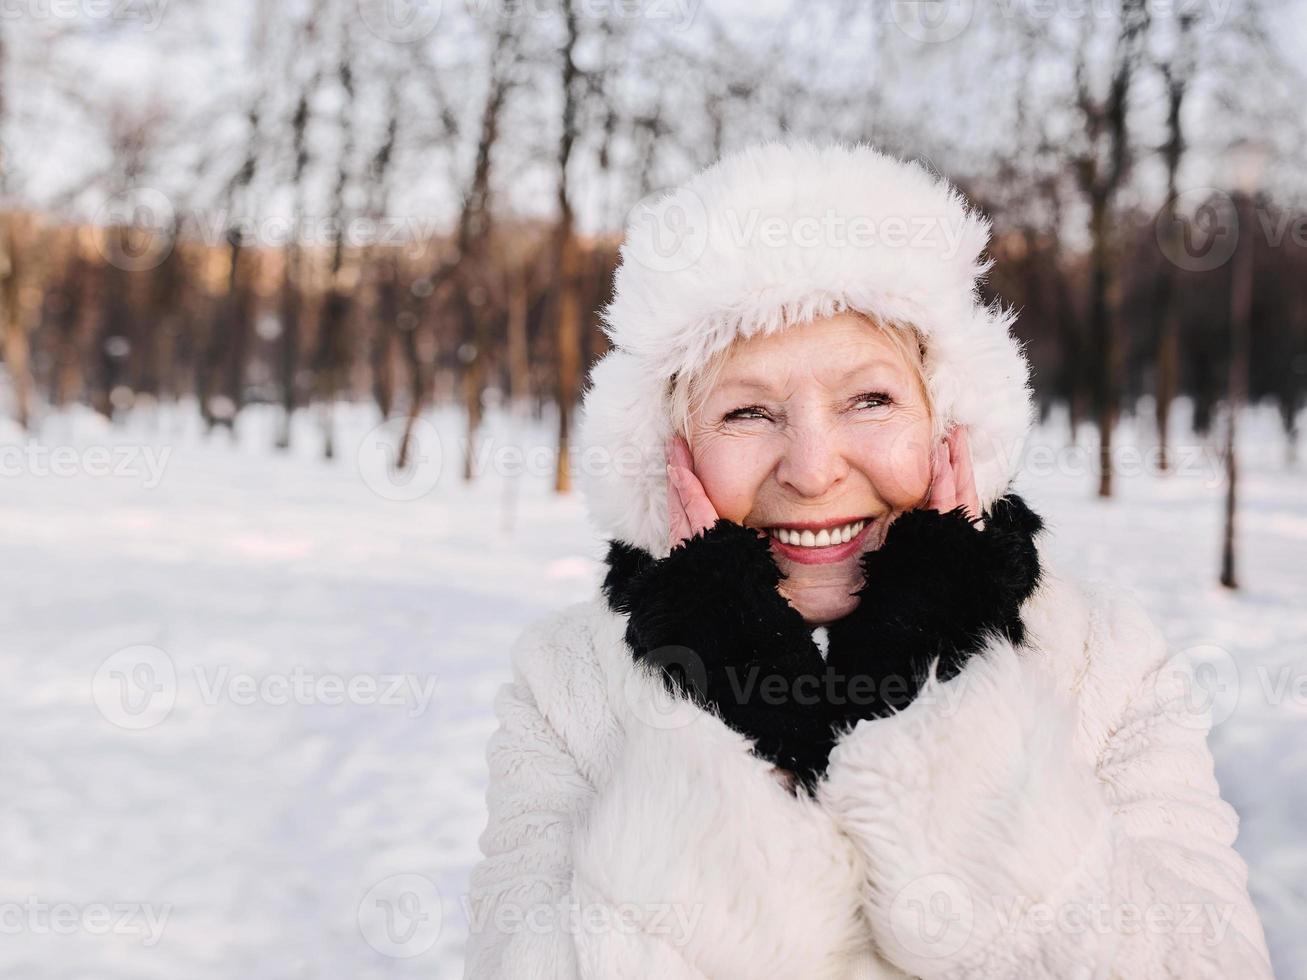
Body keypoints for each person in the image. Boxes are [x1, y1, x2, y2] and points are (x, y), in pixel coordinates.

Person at [463, 141, 1273, 979]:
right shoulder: (568, 685)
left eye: (870, 400)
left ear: (948, 417)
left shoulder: (1105, 661)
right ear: (670, 449)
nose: (813, 470)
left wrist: (937, 688)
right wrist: (735, 708)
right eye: (747, 412)